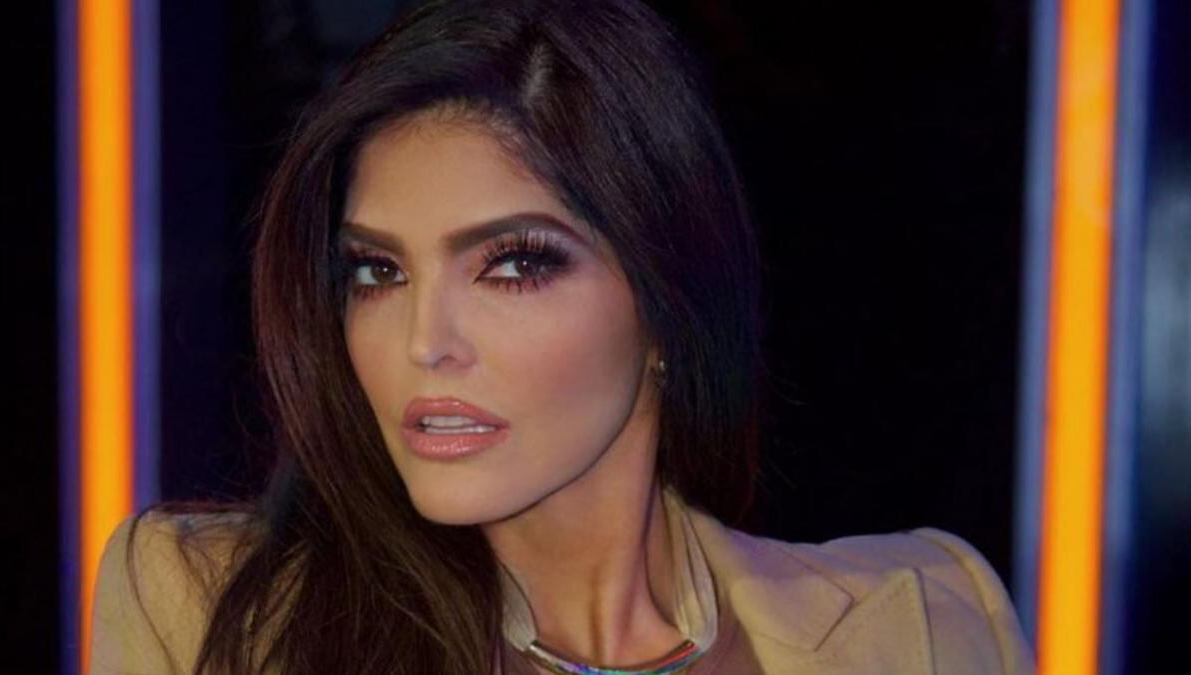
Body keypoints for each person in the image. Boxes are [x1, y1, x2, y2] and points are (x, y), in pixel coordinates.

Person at [90, 0, 1035, 673]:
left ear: (667, 305)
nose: (425, 342)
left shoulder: (927, 617)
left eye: (513, 265)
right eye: (378, 271)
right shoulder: (211, 613)